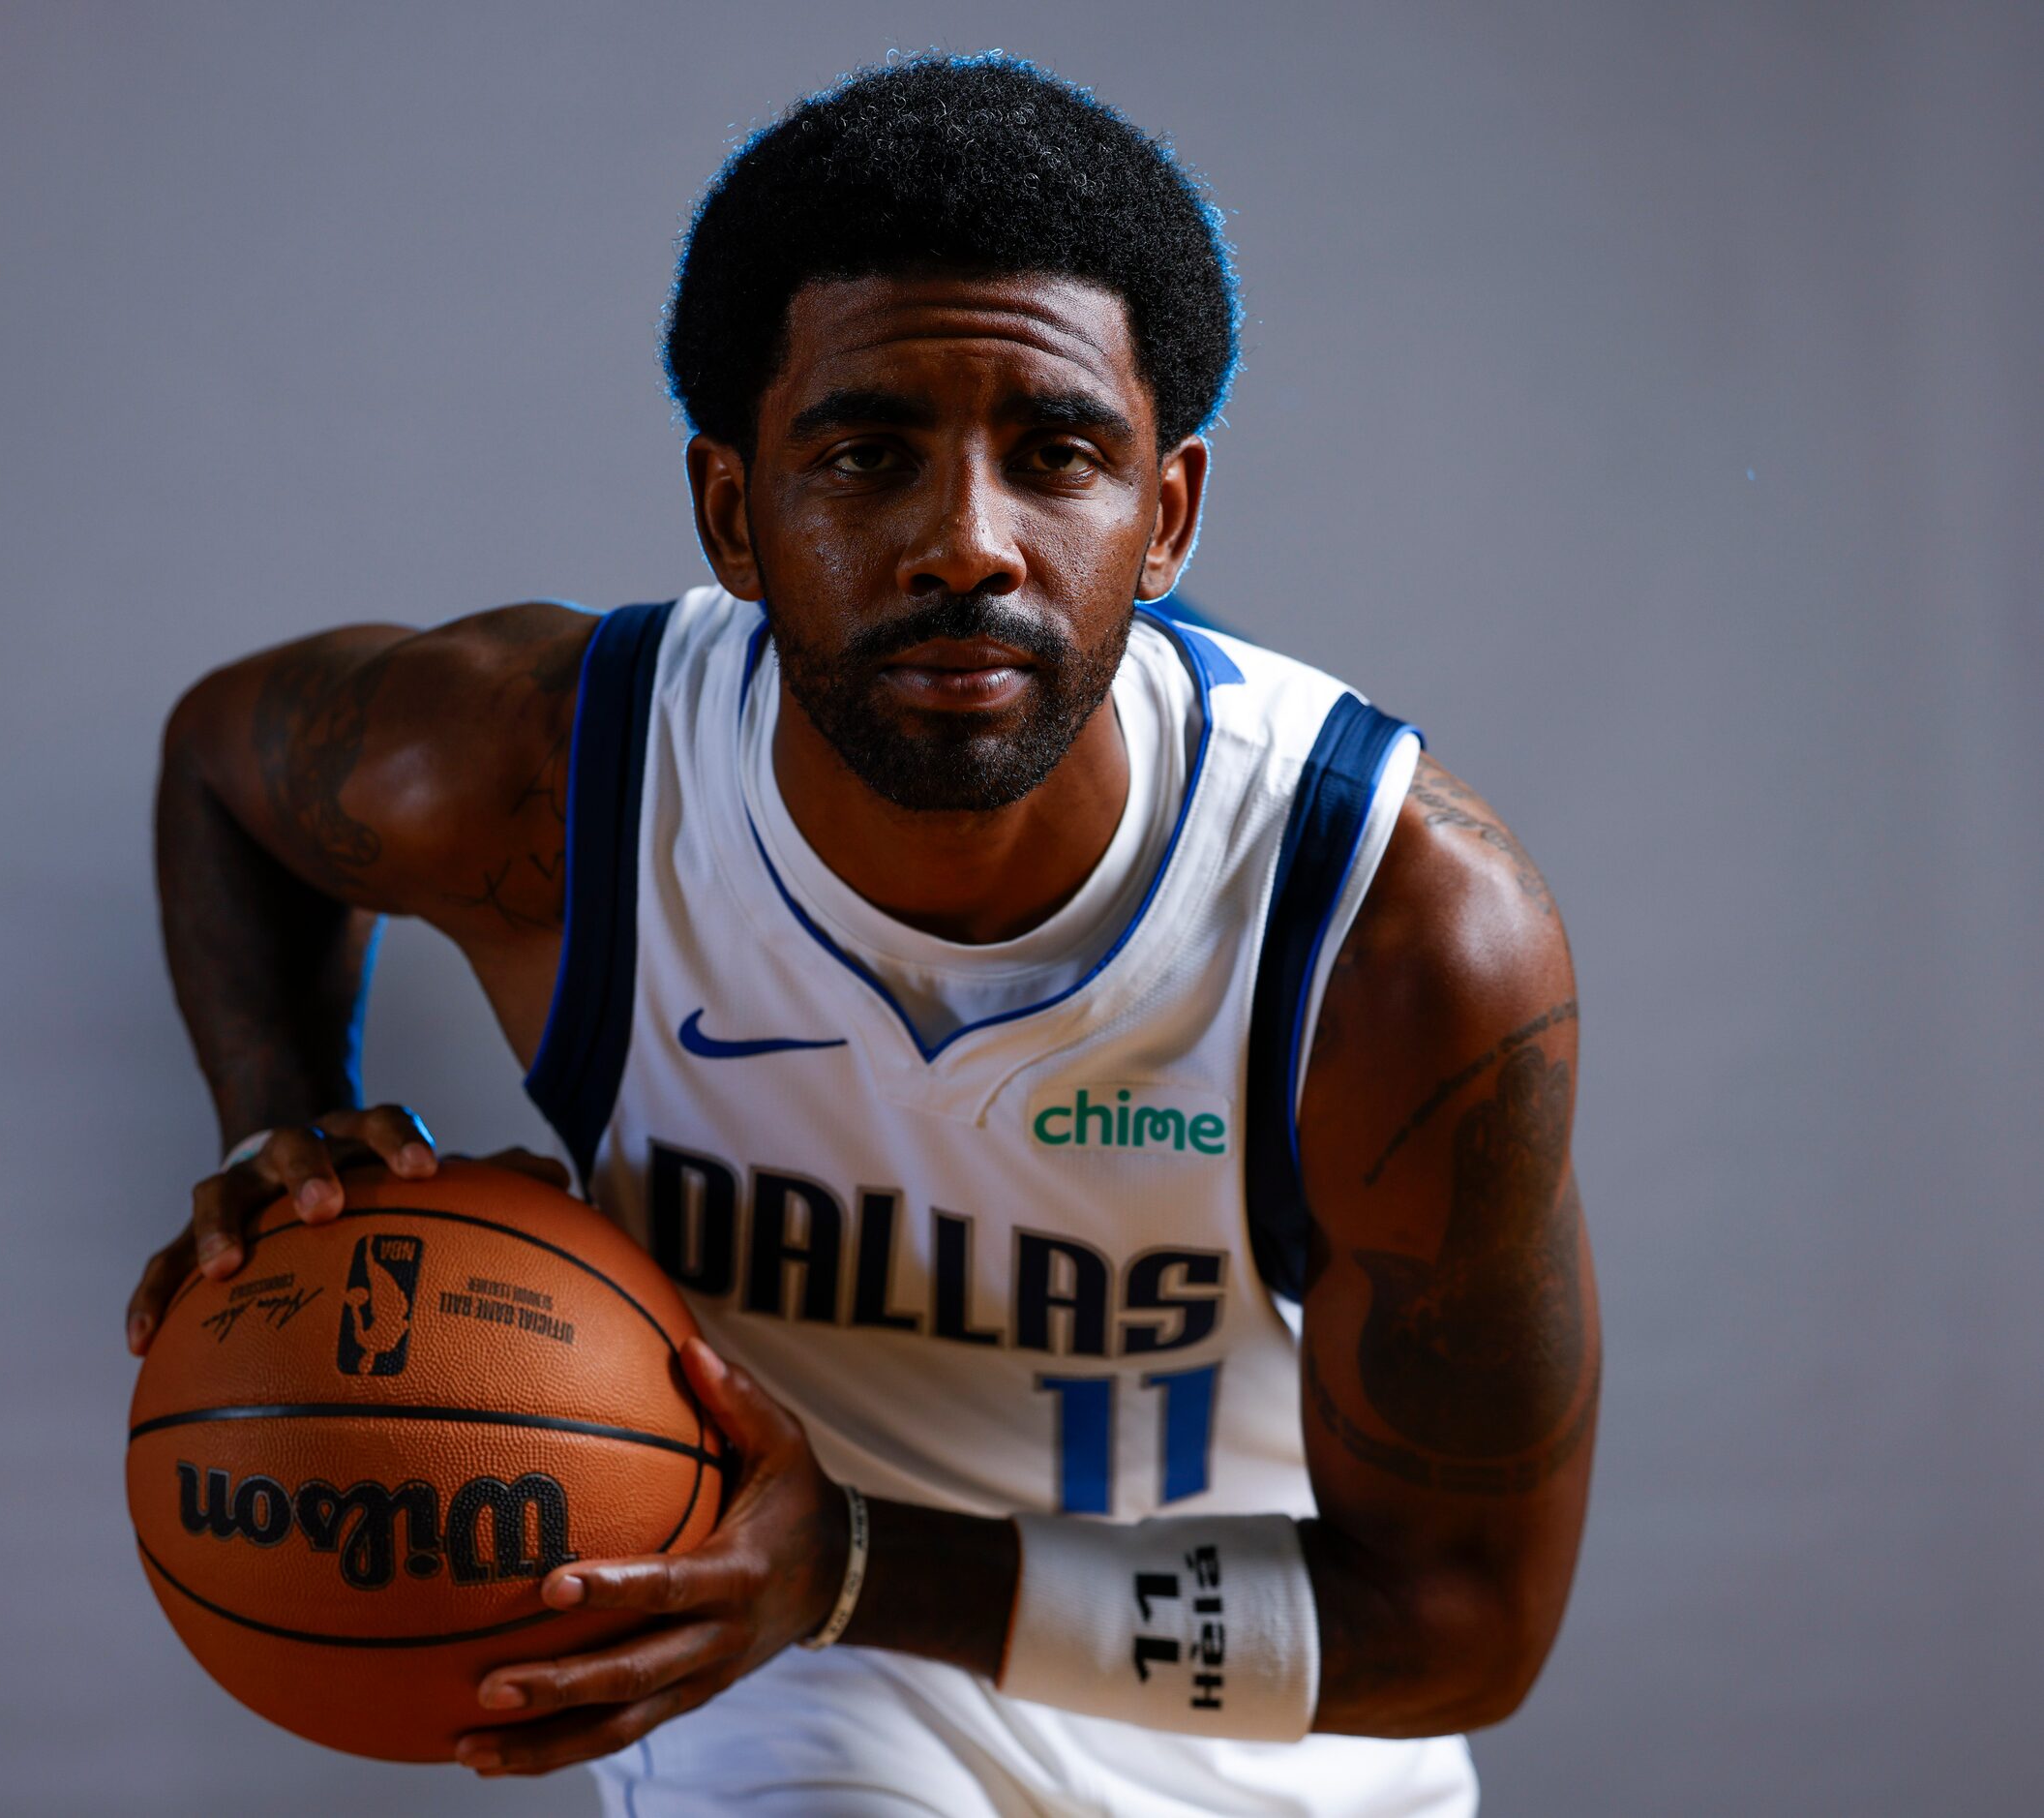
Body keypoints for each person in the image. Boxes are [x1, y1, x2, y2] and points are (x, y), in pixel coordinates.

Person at [127, 53, 1596, 1817]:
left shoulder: (1391, 920)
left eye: (1058, 456)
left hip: (1241, 1692)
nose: (963, 545)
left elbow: (1458, 1625)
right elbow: (225, 762)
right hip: (780, 1676)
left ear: (1166, 516)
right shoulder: (547, 776)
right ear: (735, 514)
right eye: (865, 453)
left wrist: (854, 1560)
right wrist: (279, 1122)